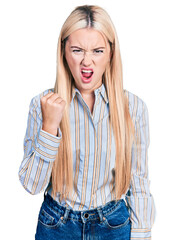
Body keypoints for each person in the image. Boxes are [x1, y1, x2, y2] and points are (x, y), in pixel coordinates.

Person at [18, 4, 156, 240]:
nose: (87, 62)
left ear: (111, 53)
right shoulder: (41, 105)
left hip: (113, 225)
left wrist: (142, 234)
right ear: (64, 52)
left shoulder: (133, 108)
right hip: (56, 226)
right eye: (77, 50)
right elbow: (32, 185)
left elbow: (139, 183)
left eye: (97, 51)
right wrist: (50, 128)